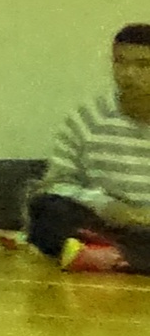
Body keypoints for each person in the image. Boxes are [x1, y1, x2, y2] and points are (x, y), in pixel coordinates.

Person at [26, 25, 150, 271]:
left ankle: (114, 256)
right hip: (109, 222)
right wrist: (106, 205)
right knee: (47, 208)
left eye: (143, 65)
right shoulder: (89, 117)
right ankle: (119, 255)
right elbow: (57, 184)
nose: (128, 74)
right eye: (120, 62)